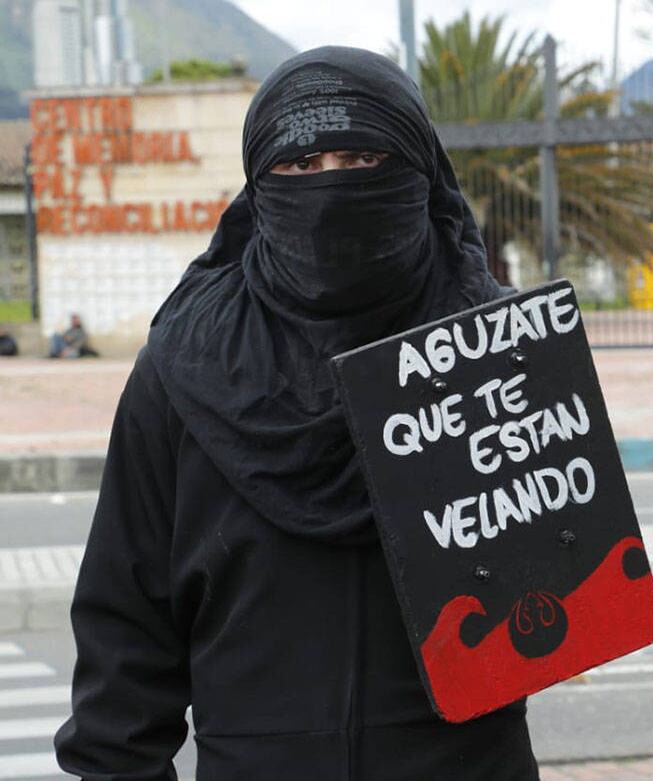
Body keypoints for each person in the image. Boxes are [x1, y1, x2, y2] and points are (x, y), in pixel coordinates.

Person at [54, 47, 538, 780]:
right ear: (258, 187)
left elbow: (559, 578)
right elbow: (125, 627)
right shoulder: (182, 369)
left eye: (362, 158)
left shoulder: (498, 347)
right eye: (300, 165)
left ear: (419, 171)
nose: (331, 188)